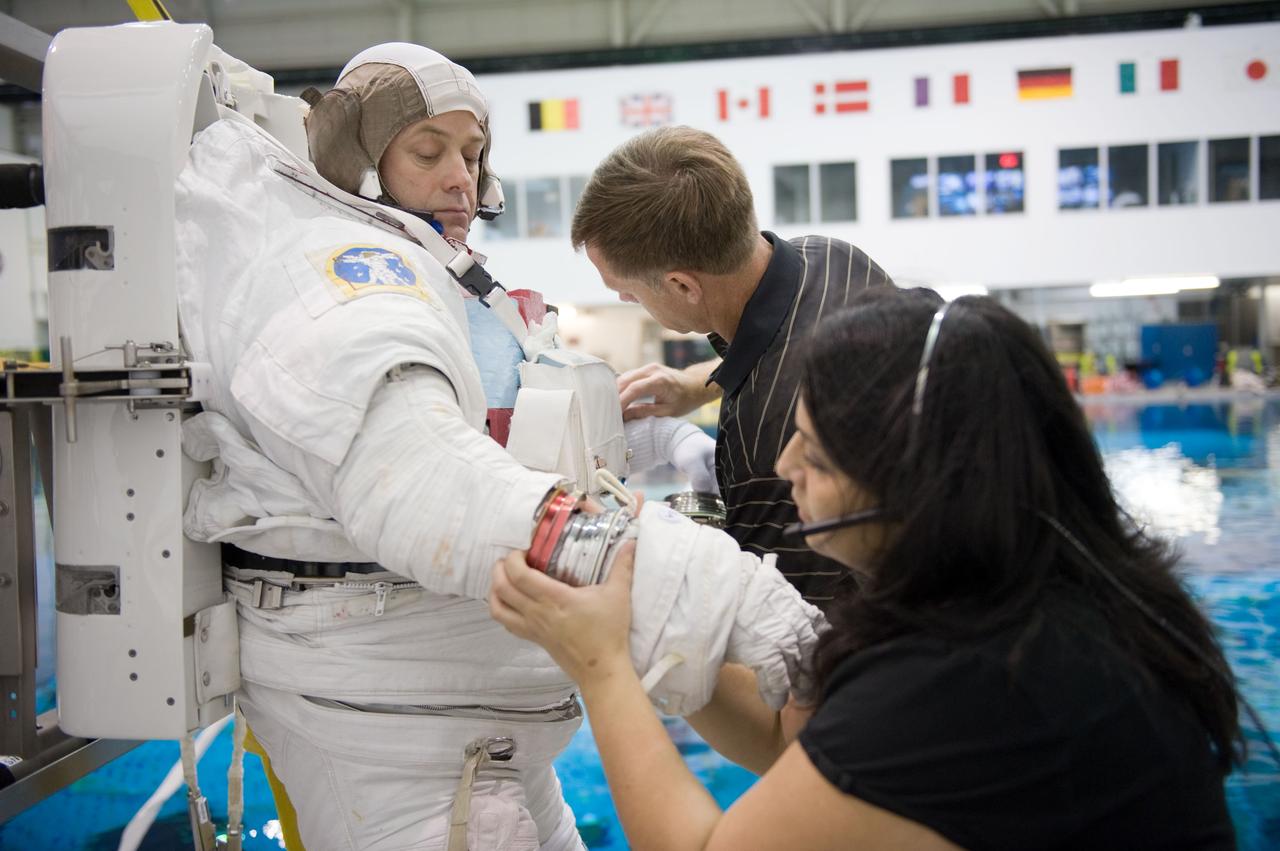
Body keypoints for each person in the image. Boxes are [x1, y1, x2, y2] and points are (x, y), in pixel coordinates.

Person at [175, 42, 823, 850]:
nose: (459, 176)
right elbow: (433, 487)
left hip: (488, 731)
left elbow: (514, 441)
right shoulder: (339, 282)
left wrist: (659, 441)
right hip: (401, 741)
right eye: (428, 151)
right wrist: (727, 594)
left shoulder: (448, 284)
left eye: (472, 153)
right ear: (356, 154)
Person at [491, 287, 1249, 850]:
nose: (785, 465)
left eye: (816, 452)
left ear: (916, 483)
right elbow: (794, 740)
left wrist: (601, 668)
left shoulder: (977, 675)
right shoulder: (1015, 590)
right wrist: (650, 619)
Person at [571, 126, 893, 607]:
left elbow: (789, 645)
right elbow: (787, 347)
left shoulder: (768, 455)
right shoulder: (831, 258)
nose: (623, 299)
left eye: (630, 291)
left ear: (683, 287)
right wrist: (697, 383)